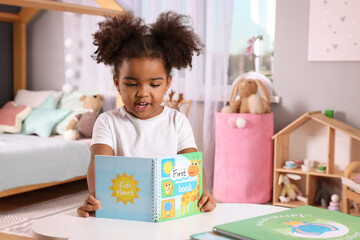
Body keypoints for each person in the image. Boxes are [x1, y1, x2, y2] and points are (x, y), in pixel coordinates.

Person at [77, 11, 216, 217]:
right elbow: (100, 171)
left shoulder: (177, 121)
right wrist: (94, 200)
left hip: (169, 214)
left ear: (167, 83)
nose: (142, 92)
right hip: (122, 210)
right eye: (132, 84)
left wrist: (203, 195)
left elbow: (192, 169)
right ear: (117, 82)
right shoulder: (107, 122)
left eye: (154, 84)